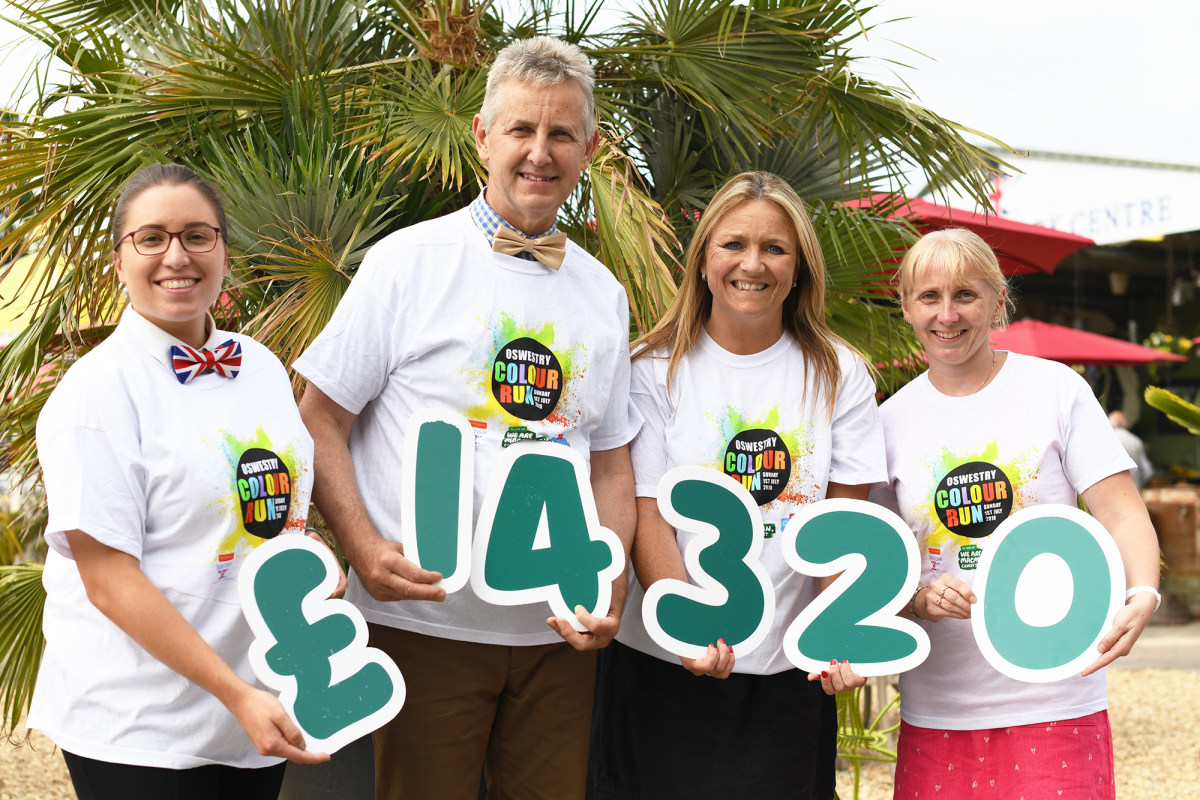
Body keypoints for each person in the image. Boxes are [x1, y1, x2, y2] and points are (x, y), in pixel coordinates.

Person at [293, 36, 640, 800]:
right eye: (521, 130)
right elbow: (318, 418)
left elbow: (611, 459)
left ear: (588, 148)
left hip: (555, 637)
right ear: (483, 136)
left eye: (560, 134)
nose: (539, 153)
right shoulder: (406, 263)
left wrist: (608, 575)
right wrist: (359, 541)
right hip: (424, 627)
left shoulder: (601, 292)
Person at [30, 163, 338, 800]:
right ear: (119, 260)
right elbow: (110, 580)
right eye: (152, 238)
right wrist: (236, 695)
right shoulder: (95, 394)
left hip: (259, 707)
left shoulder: (259, 366)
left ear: (224, 250)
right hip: (142, 725)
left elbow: (270, 507)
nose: (177, 256)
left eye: (198, 235)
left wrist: (314, 559)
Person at [588, 172, 882, 800]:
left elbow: (841, 526)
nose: (753, 264)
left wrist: (841, 634)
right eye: (733, 245)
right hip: (664, 666)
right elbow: (647, 513)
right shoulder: (651, 367)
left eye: (775, 248)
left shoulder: (841, 372)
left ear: (800, 266)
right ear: (702, 260)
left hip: (785, 672)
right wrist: (687, 629)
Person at [872, 228, 1160, 800]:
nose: (947, 314)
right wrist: (919, 600)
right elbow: (881, 567)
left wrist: (1143, 594)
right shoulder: (888, 421)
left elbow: (1122, 513)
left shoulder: (1056, 390)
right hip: (938, 708)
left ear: (998, 300)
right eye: (929, 297)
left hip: (1056, 695)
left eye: (966, 295)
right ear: (904, 306)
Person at [1110, 410, 1153, 489]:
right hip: (1134, 492)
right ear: (1126, 423)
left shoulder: (1107, 441)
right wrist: (1137, 482)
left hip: (1112, 493)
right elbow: (1148, 471)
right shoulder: (1136, 441)